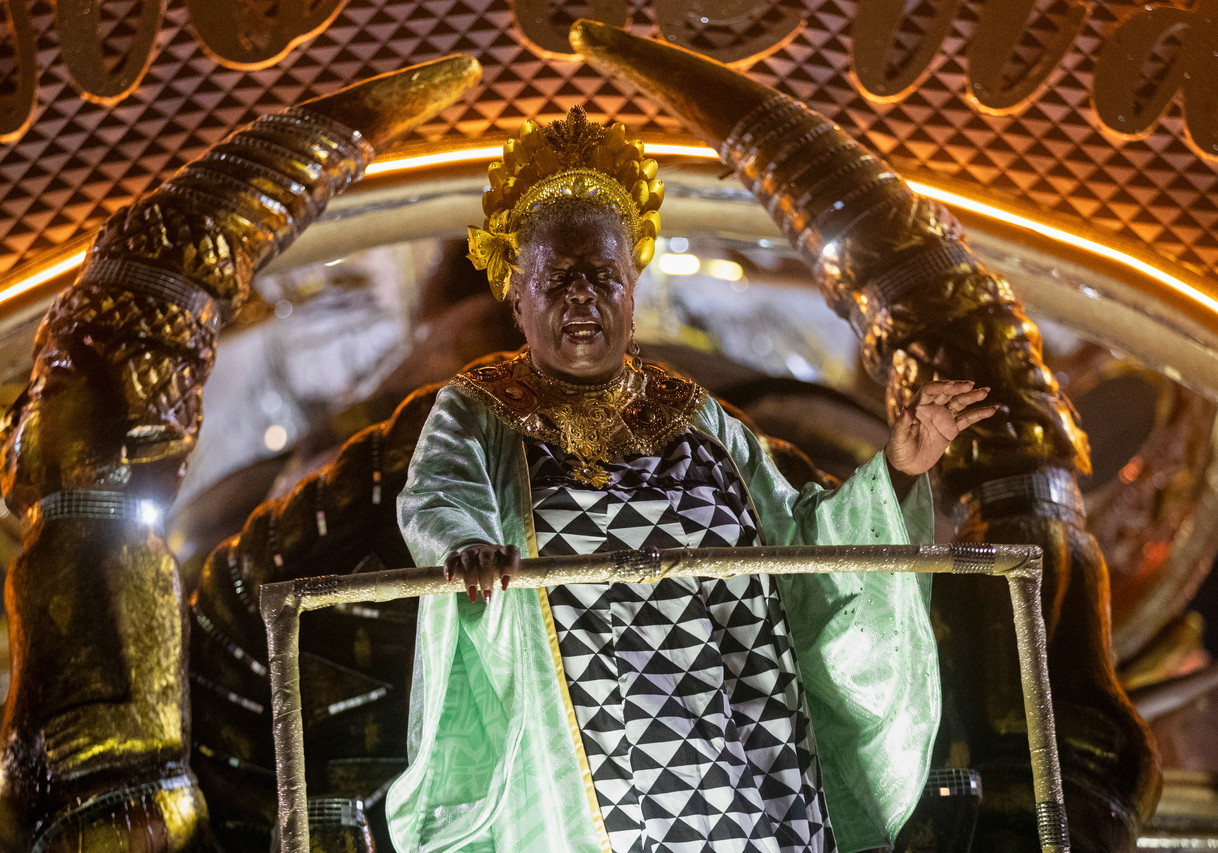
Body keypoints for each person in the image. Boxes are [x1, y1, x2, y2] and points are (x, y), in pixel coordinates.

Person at [386, 108, 997, 853]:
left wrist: (898, 467)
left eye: (603, 277)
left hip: (748, 740)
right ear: (517, 297)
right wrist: (468, 546)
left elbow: (799, 541)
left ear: (632, 292)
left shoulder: (693, 410)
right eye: (558, 280)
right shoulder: (478, 407)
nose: (582, 297)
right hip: (591, 759)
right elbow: (439, 493)